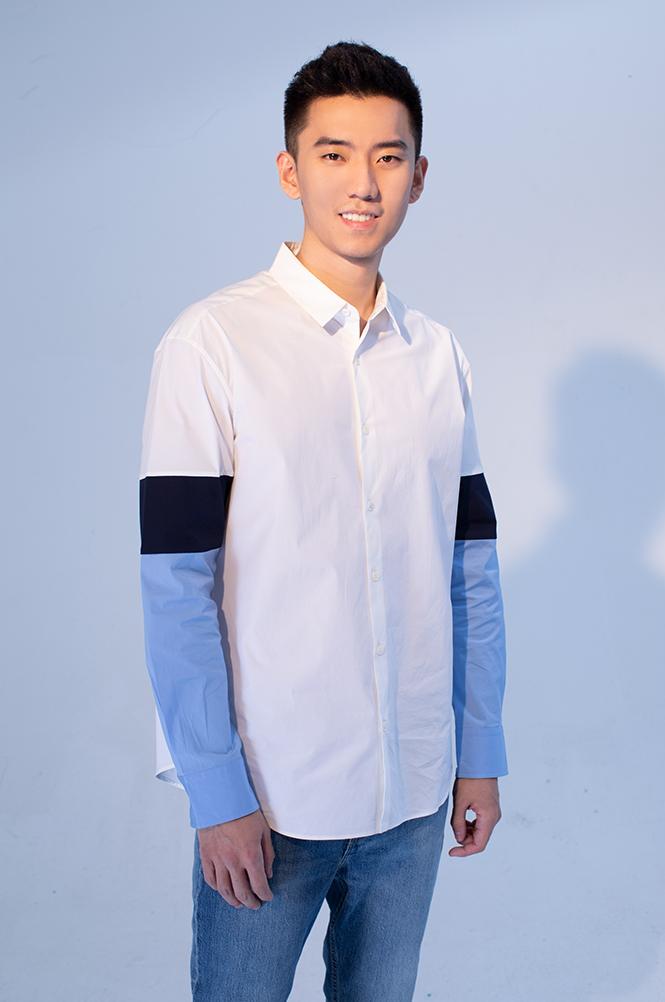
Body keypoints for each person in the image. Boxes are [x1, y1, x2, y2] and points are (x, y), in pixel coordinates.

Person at [138, 39, 509, 1002]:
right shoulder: (212, 342)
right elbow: (175, 584)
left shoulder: (438, 356)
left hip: (412, 792)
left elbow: (469, 570)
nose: (362, 182)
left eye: (388, 156)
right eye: (333, 153)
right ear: (288, 169)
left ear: (418, 177)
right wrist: (215, 794)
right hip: (272, 795)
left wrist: (479, 755)